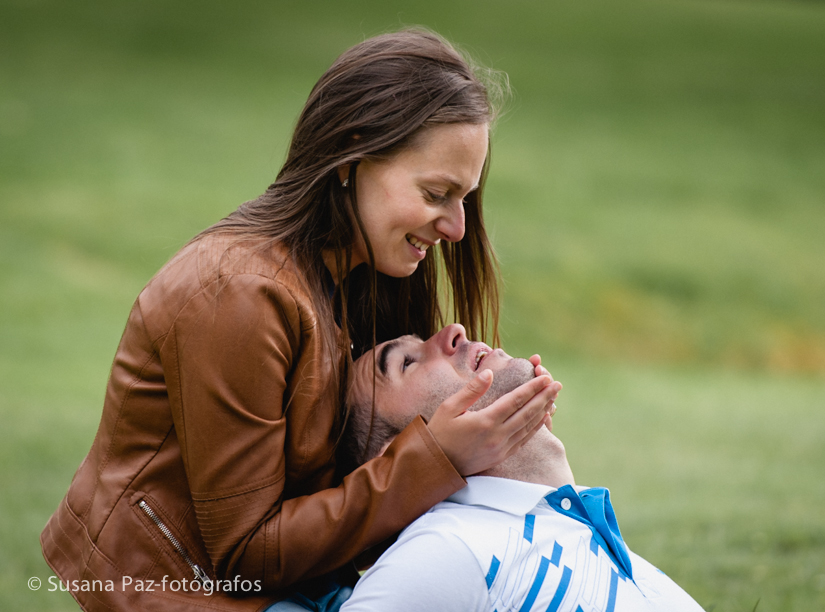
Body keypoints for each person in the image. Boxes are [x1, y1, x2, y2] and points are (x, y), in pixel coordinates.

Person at [40, 30, 560, 611]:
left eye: (464, 198)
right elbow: (247, 555)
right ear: (352, 157)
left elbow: (360, 482)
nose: (457, 228)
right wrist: (438, 458)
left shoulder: (366, 270)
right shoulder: (239, 295)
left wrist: (501, 432)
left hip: (303, 585)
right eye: (436, 192)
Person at [337, 325, 705, 612]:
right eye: (406, 363)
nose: (454, 330)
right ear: (401, 452)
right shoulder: (448, 547)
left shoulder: (572, 527)